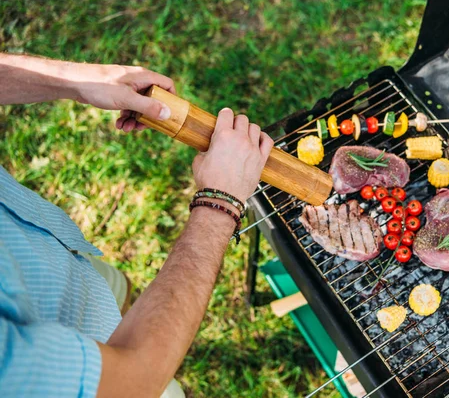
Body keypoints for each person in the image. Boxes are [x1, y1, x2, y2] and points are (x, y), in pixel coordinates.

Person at [0, 53, 274, 397]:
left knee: (113, 287)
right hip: (115, 376)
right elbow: (132, 382)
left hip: (53, 260)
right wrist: (220, 203)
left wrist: (75, 80)